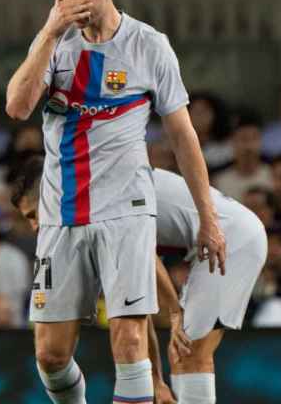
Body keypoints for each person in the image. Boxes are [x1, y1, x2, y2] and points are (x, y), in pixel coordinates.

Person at [4, 0, 225, 404]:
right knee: (50, 355)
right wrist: (47, 32)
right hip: (62, 211)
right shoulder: (55, 44)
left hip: (126, 209)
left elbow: (183, 137)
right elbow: (18, 107)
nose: (64, 7)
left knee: (128, 340)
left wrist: (208, 217)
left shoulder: (148, 46)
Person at [14, 159, 266, 404]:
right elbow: (133, 306)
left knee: (188, 353)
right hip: (217, 239)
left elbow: (145, 260)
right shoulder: (89, 194)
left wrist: (175, 312)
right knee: (182, 351)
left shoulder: (95, 200)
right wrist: (156, 380)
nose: (35, 226)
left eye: (34, 214)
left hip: (232, 239)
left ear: (51, 194)